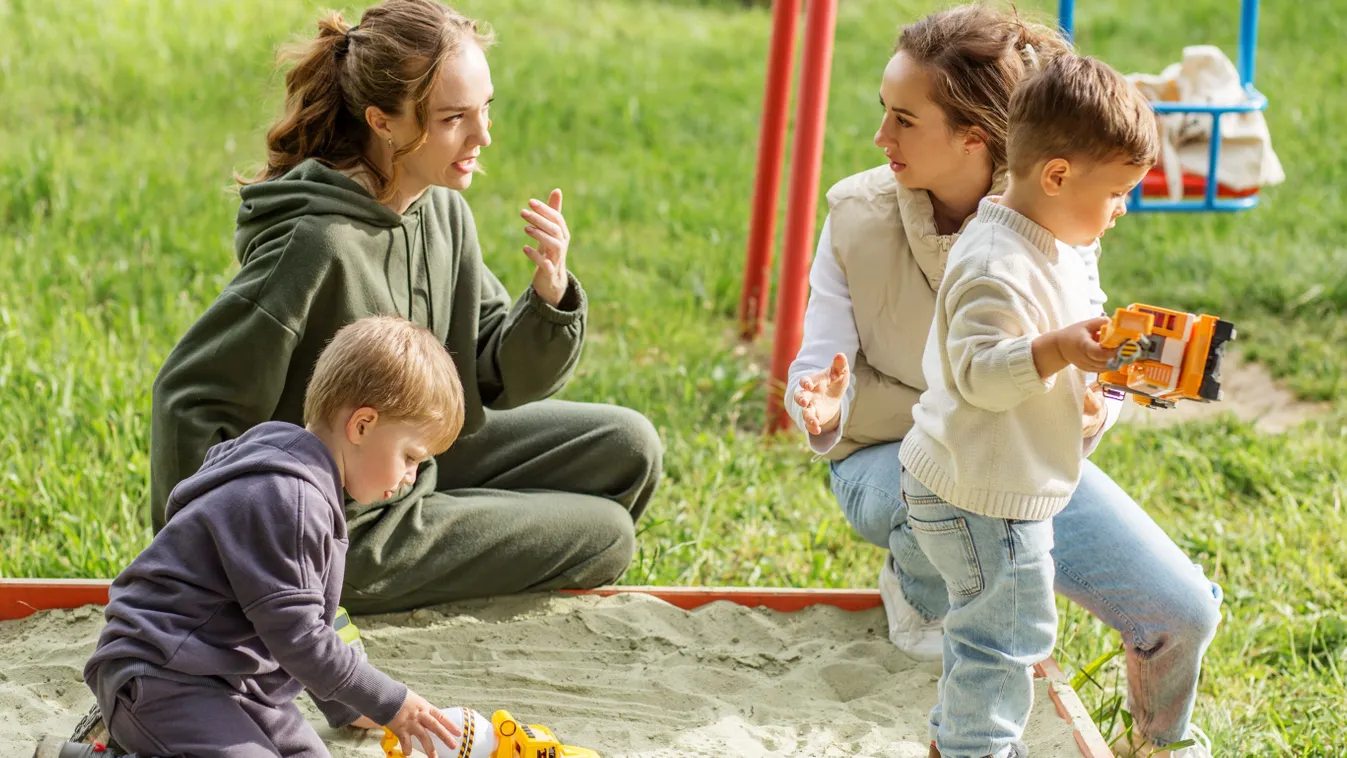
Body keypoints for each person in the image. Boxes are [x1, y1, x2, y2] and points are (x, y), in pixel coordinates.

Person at [787, 6, 1221, 757]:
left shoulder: (1055, 210)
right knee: (996, 635)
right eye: (883, 115)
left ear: (975, 139)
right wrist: (822, 401)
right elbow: (853, 363)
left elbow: (1087, 356)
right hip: (903, 461)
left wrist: (1099, 401)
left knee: (1180, 611)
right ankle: (926, 605)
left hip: (1018, 463)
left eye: (902, 120)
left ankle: (1160, 743)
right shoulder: (860, 216)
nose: (879, 139)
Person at [149, 0, 662, 615]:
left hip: (423, 456)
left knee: (631, 446)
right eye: (454, 119)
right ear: (382, 122)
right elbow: (188, 397)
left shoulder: (442, 211)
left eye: (485, 109)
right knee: (607, 534)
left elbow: (491, 370)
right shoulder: (315, 245)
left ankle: (461, 532)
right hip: (345, 529)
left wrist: (549, 298)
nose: (482, 136)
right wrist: (201, 567)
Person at [37, 316, 468, 758]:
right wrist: (391, 703)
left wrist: (347, 703)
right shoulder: (291, 499)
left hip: (237, 680)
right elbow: (301, 639)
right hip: (164, 672)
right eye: (411, 456)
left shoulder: (289, 468)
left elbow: (302, 621)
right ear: (361, 425)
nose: (411, 478)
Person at [899, 53, 1156, 758]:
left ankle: (954, 740)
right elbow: (979, 373)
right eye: (1117, 193)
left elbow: (1071, 328)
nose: (1121, 209)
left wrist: (1094, 389)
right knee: (1005, 635)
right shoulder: (992, 263)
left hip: (988, 476)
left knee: (990, 625)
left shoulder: (1056, 244)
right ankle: (973, 749)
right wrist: (1054, 353)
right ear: (1056, 176)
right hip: (980, 493)